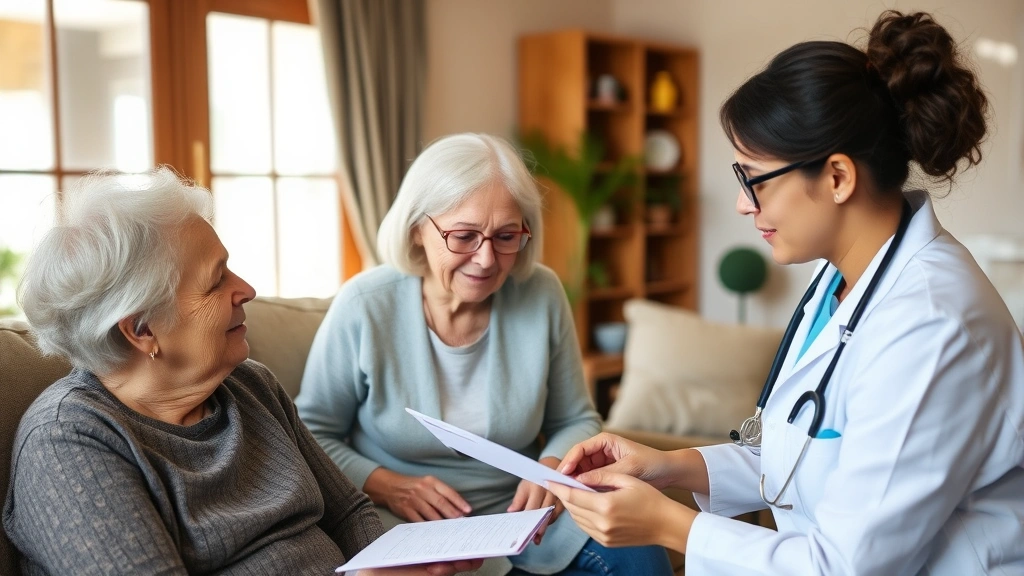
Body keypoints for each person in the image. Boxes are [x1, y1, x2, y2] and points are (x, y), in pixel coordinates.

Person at [546, 10, 1024, 576]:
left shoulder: (932, 323)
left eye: (755, 179)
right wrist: (669, 467)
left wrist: (665, 523)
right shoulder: (841, 281)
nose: (743, 204)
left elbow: (845, 567)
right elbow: (797, 451)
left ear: (838, 177)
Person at [3, 168, 479, 576]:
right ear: (142, 329)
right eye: (216, 281)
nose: (247, 289)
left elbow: (350, 515)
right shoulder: (70, 442)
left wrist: (401, 562)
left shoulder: (251, 386)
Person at [295, 133, 673, 575]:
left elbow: (576, 418)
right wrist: (386, 486)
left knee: (640, 551)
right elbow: (310, 432)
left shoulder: (542, 293)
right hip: (403, 522)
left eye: (507, 236)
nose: (487, 259)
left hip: (523, 516)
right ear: (419, 229)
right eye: (464, 236)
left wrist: (548, 469)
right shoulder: (365, 305)